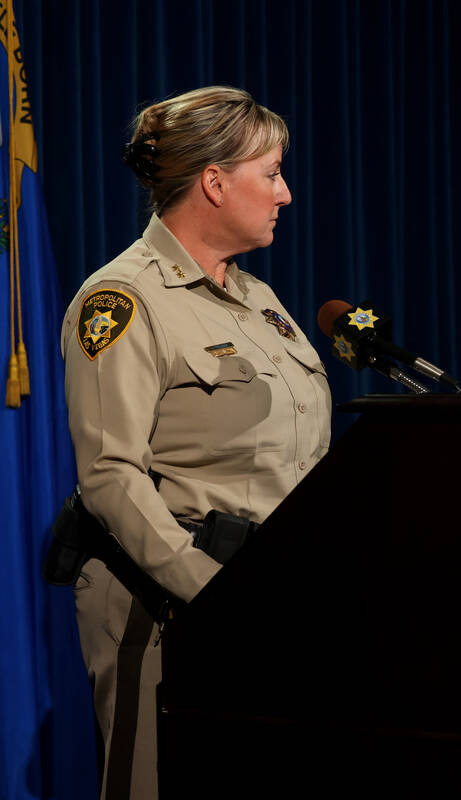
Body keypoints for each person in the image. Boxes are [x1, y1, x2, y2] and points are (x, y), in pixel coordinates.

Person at [60, 87, 332, 800]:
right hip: (167, 605)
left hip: (268, 607)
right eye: (271, 173)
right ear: (214, 181)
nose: (287, 193)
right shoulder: (121, 301)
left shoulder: (261, 301)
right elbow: (112, 476)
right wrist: (213, 595)